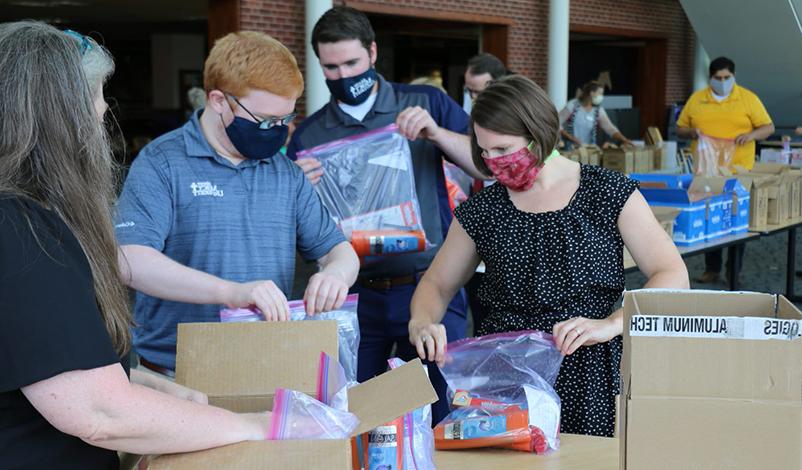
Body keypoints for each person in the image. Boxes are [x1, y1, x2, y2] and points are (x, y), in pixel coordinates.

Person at [0, 22, 273, 469]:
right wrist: (254, 427)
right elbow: (98, 411)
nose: (103, 109)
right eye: (95, 95)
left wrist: (162, 392)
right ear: (58, 112)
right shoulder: (20, 228)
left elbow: (54, 360)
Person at [408, 75, 689, 437]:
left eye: (504, 149)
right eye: (485, 151)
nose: (492, 163)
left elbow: (672, 273)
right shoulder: (484, 210)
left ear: (539, 135)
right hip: (504, 374)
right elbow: (437, 283)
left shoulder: (607, 191)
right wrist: (422, 321)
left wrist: (612, 324)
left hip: (588, 369)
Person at [115, 31, 359, 377]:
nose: (276, 131)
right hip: (176, 371)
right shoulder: (162, 162)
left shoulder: (285, 174)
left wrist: (335, 274)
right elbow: (130, 260)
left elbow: (339, 251)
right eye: (262, 121)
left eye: (284, 120)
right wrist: (231, 293)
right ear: (218, 100)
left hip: (268, 364)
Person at [286, 6, 487, 424]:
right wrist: (295, 188)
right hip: (355, 295)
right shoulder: (310, 135)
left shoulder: (425, 102)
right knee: (357, 415)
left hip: (429, 285)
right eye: (331, 67)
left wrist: (435, 132)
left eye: (352, 63)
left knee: (444, 410)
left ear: (373, 53)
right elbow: (299, 227)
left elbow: (483, 164)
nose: (343, 76)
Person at [677, 56, 774, 285]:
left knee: (737, 221)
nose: (722, 81)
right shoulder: (697, 99)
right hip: (707, 172)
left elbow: (768, 127)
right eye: (718, 78)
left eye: (727, 77)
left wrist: (750, 135)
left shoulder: (748, 99)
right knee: (709, 216)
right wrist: (692, 133)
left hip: (738, 171)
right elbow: (680, 128)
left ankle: (734, 271)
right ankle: (712, 268)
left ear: (733, 76)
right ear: (710, 77)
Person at [559, 80, 633, 149]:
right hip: (571, 149)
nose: (601, 97)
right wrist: (570, 137)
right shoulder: (572, 105)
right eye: (600, 93)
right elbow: (556, 123)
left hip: (589, 150)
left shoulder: (598, 110)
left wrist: (624, 139)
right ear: (591, 93)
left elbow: (610, 128)